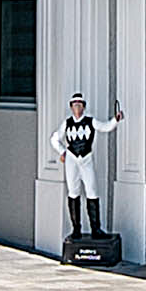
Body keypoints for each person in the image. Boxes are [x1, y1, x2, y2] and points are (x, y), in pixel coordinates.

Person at [54, 93, 118, 245]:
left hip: (86, 159)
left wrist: (115, 119)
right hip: (71, 160)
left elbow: (105, 127)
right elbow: (55, 138)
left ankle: (96, 228)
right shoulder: (67, 123)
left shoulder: (90, 121)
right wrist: (62, 151)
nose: (77, 107)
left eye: (80, 104)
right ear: (71, 107)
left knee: (92, 191)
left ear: (84, 107)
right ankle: (76, 228)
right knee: (73, 191)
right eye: (74, 104)